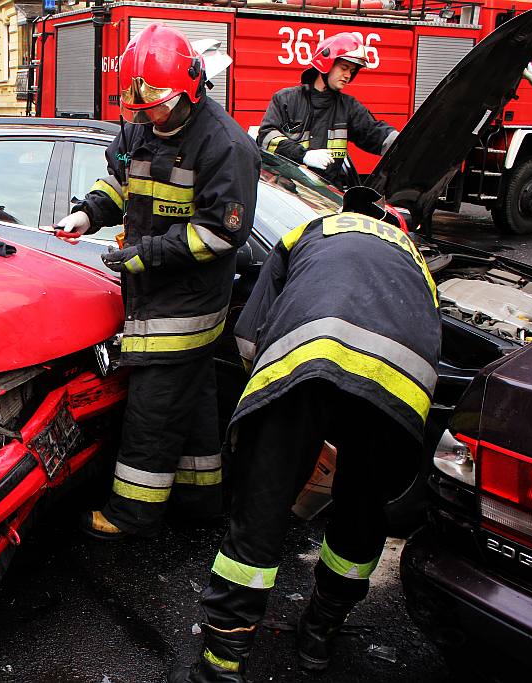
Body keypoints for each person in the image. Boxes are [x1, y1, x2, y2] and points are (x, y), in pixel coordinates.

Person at [169, 186, 441, 682]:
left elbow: (250, 333)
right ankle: (320, 634)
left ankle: (222, 666)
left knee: (260, 516)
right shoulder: (415, 261)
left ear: (347, 210)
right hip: (398, 386)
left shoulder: (310, 231)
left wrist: (267, 415)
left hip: (305, 362)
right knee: (361, 512)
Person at [54, 23, 260, 539]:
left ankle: (130, 515)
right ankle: (199, 501)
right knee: (192, 407)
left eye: (156, 107)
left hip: (187, 302)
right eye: (137, 108)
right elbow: (119, 183)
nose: (147, 117)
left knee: (153, 410)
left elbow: (220, 235)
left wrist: (142, 256)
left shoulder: (224, 145)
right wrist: (88, 214)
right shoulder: (140, 129)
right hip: (152, 294)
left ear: (190, 90)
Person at [258, 33, 398, 188]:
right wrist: (302, 155)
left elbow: (374, 133)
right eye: (344, 68)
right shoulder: (286, 99)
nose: (347, 75)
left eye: (351, 71)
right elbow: (266, 138)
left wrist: (403, 143)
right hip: (287, 193)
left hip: (327, 197)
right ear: (326, 64)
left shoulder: (348, 107)